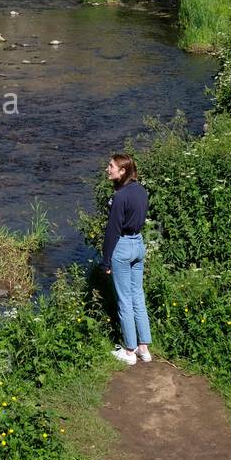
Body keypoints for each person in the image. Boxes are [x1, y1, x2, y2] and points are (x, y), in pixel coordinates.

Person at [102, 153, 151, 366]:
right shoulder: (141, 191)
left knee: (124, 299)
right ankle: (144, 349)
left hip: (122, 247)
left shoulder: (120, 196)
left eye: (111, 166)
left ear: (122, 171)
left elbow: (112, 230)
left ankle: (129, 352)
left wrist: (106, 261)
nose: (107, 169)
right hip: (139, 244)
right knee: (137, 296)